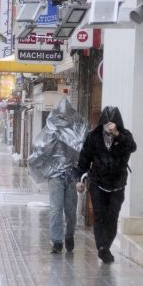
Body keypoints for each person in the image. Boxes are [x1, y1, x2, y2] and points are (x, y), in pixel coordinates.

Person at [76, 106, 136, 263]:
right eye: (106, 123)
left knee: (112, 216)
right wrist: (79, 179)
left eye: (113, 123)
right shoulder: (93, 136)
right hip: (97, 183)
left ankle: (106, 245)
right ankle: (102, 247)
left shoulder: (124, 136)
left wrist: (117, 134)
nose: (109, 126)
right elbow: (84, 158)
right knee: (99, 215)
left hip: (118, 184)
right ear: (102, 123)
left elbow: (132, 147)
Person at [27, 98, 88, 254]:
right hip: (55, 175)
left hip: (72, 175)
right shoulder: (50, 130)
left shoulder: (78, 130)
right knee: (55, 208)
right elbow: (39, 147)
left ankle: (69, 235)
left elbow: (83, 150)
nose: (62, 119)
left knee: (71, 210)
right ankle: (57, 241)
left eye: (65, 116)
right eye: (60, 117)